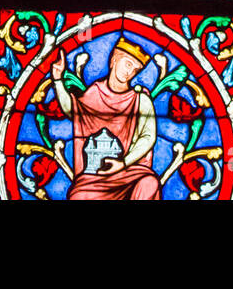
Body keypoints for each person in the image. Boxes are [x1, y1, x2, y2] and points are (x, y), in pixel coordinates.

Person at [50, 37, 160, 200]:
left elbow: (148, 137)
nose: (130, 72)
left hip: (128, 171)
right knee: (79, 196)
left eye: (135, 70)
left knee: (150, 183)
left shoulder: (140, 100)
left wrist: (123, 163)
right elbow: (73, 111)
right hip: (95, 177)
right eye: (128, 64)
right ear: (113, 60)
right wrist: (58, 80)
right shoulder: (94, 92)